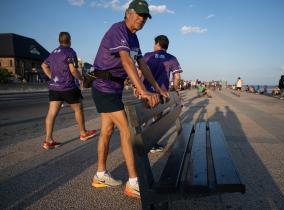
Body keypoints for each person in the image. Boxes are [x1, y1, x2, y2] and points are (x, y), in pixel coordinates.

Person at [91, 0, 169, 199]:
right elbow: (126, 60)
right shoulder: (119, 30)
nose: (142, 19)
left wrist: (158, 88)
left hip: (114, 88)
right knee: (126, 130)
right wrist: (142, 90)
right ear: (128, 13)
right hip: (103, 86)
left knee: (107, 131)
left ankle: (100, 175)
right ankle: (134, 182)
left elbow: (142, 65)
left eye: (145, 16)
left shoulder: (134, 38)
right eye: (139, 14)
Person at [41, 32, 96, 150]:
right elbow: (73, 70)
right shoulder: (70, 52)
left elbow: (43, 65)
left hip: (54, 87)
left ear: (59, 40)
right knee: (78, 109)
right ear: (70, 40)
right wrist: (81, 79)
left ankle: (48, 140)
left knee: (52, 113)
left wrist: (52, 77)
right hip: (68, 86)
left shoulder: (53, 53)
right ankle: (83, 132)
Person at [141, 35, 182, 153]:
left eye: (154, 44)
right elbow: (177, 76)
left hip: (146, 92)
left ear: (158, 43)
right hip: (161, 93)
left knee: (145, 117)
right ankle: (151, 143)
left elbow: (140, 71)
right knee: (157, 118)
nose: (153, 46)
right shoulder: (172, 58)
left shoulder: (148, 55)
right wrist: (175, 89)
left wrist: (137, 87)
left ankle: (146, 141)